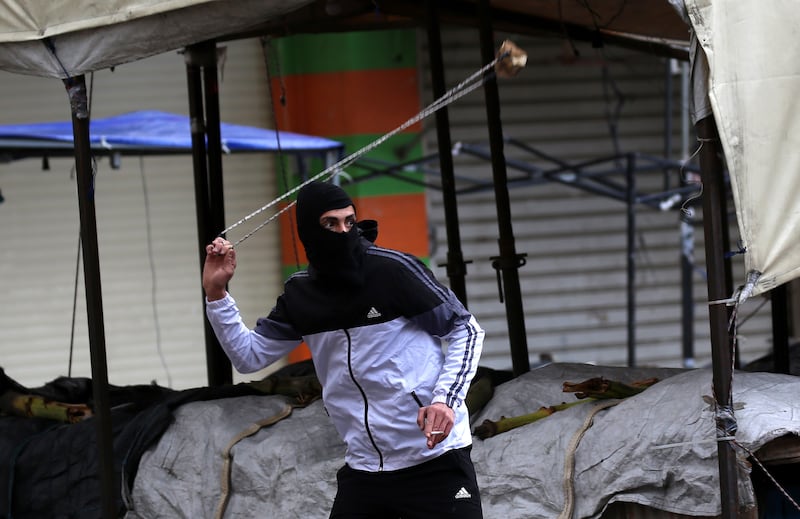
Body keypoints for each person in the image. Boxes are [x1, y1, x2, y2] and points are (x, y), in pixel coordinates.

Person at [202, 180, 485, 518]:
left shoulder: (393, 270)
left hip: (434, 460)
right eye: (330, 224)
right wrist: (216, 294)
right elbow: (249, 357)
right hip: (365, 471)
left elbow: (465, 329)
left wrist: (445, 399)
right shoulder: (300, 294)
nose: (342, 231)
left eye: (349, 222)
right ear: (308, 229)